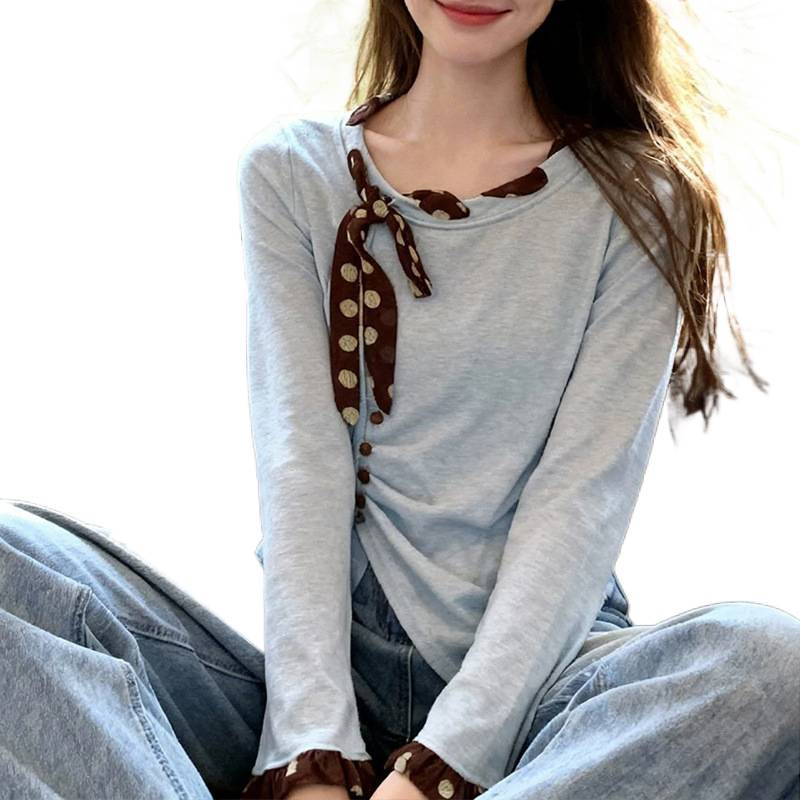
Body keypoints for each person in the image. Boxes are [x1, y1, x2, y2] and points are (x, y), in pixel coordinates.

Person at [1, 2, 798, 800]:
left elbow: (580, 501)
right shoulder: (293, 172)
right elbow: (302, 467)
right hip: (324, 679)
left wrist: (445, 763)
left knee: (770, 663)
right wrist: (309, 749)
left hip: (537, 690)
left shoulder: (641, 199)